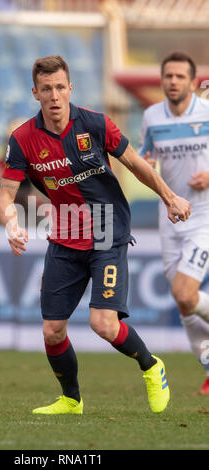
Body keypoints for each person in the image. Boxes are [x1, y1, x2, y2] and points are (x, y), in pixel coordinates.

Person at [0, 55, 190, 415]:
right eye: (46, 89)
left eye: (59, 87)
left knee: (103, 323)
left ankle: (151, 366)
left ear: (70, 88)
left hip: (107, 230)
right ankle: (71, 400)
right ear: (35, 93)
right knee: (52, 330)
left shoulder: (96, 124)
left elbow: (136, 164)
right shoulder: (22, 139)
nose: (54, 96)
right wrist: (11, 223)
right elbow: (6, 195)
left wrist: (170, 196)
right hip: (64, 235)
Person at [139, 51, 209, 395]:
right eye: (168, 76)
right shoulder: (152, 116)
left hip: (204, 219)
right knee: (184, 302)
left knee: (185, 293)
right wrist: (146, 161)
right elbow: (143, 157)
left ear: (194, 82)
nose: (173, 81)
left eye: (181, 76)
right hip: (170, 221)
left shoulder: (207, 113)